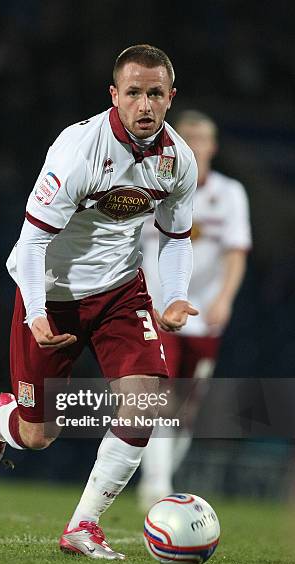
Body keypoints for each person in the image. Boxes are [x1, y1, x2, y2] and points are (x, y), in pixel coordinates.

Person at [0, 44, 198, 560]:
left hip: (121, 291)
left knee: (145, 404)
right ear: (114, 95)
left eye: (155, 94)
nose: (145, 104)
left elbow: (176, 237)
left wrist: (176, 297)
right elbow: (31, 244)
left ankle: (82, 526)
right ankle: (2, 420)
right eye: (135, 93)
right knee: (38, 435)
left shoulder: (177, 160)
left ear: (170, 98)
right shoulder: (79, 151)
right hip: (52, 294)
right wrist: (35, 314)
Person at [138, 110, 252, 509]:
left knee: (188, 408)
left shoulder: (230, 193)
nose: (194, 144)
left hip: (204, 314)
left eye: (201, 138)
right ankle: (157, 483)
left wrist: (225, 299)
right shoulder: (152, 183)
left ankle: (160, 477)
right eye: (187, 137)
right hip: (160, 308)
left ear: (213, 147)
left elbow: (236, 253)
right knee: (160, 398)